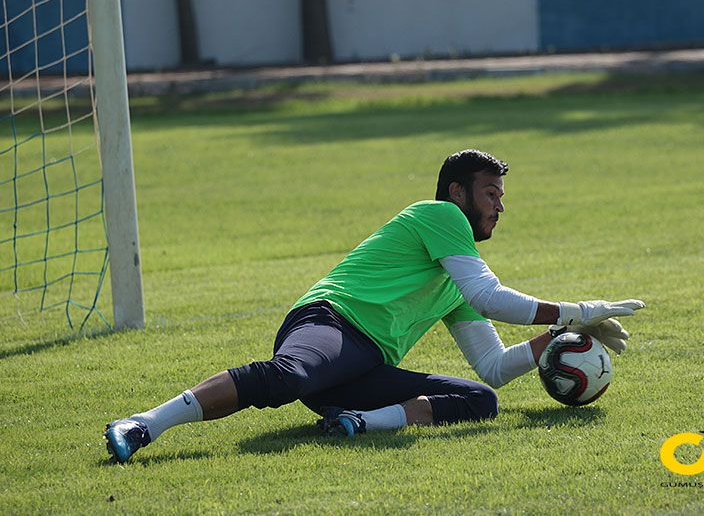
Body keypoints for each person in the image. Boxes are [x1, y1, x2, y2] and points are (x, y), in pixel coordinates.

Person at [103, 149, 645, 463]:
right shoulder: (440, 216)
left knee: (479, 399)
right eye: (491, 194)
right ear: (457, 193)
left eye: (502, 197)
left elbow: (493, 368)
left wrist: (553, 341)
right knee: (290, 377)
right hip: (329, 322)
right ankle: (143, 424)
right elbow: (491, 297)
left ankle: (358, 424)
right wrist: (581, 309)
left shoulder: (457, 277)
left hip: (360, 368)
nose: (499, 206)